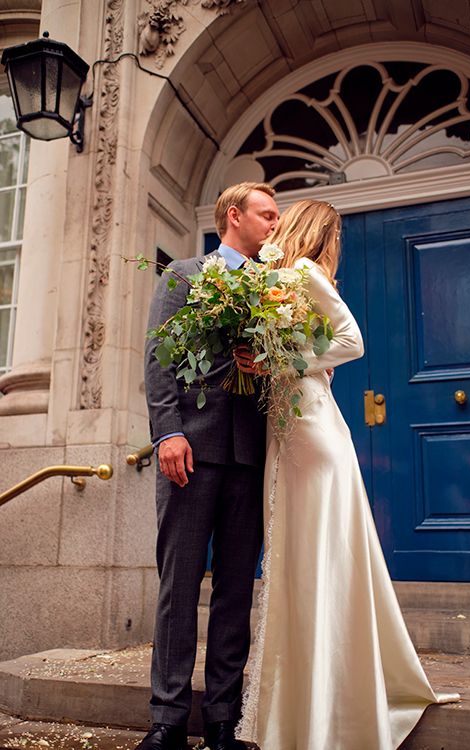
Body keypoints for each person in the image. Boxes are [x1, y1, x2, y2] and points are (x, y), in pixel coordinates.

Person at [234, 199, 459, 750]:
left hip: (313, 430)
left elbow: (351, 342)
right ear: (324, 233)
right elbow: (329, 346)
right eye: (337, 238)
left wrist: (284, 360)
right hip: (289, 428)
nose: (337, 249)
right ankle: (305, 694)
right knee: (299, 555)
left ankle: (329, 698)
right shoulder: (281, 276)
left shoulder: (302, 275)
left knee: (320, 554)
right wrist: (266, 356)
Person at [139, 182, 280, 750]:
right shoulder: (183, 276)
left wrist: (268, 362)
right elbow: (159, 358)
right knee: (178, 586)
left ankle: (223, 719)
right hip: (188, 453)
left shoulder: (276, 291)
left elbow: (293, 367)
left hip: (249, 456)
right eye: (266, 214)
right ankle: (167, 720)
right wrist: (167, 432)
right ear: (233, 216)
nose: (275, 224)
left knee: (235, 590)